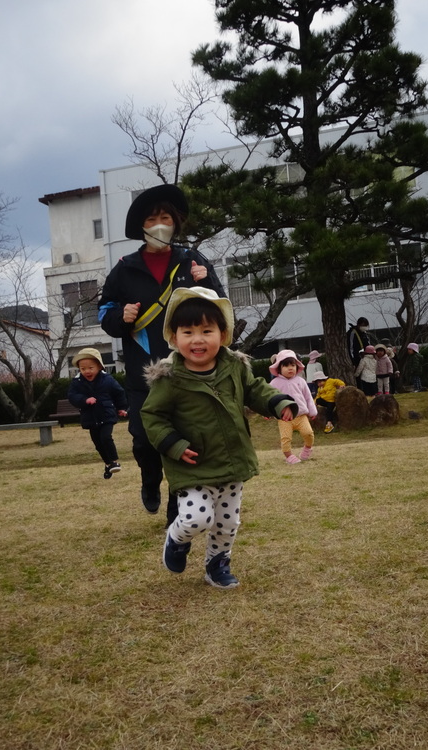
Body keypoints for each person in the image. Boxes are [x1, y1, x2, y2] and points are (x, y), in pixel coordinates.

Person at [140, 287, 297, 589]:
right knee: (196, 519)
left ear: (223, 335)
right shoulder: (169, 379)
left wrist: (278, 403)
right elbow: (152, 416)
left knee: (227, 524)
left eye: (206, 330)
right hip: (192, 464)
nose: (197, 339)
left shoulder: (234, 366)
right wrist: (173, 444)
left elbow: (255, 390)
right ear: (174, 338)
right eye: (188, 332)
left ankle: (217, 563)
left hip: (232, 461)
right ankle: (177, 538)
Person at [98, 184, 225, 522]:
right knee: (143, 439)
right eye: (151, 219)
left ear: (176, 222)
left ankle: (176, 506)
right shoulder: (125, 267)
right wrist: (119, 316)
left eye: (165, 217)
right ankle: (149, 478)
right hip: (143, 371)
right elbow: (103, 311)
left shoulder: (193, 259)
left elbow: (219, 308)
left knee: (181, 440)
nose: (158, 224)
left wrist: (207, 281)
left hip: (187, 368)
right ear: (141, 227)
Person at [67, 348, 128, 478]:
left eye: (90, 368)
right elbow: (72, 396)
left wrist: (122, 408)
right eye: (83, 369)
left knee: (106, 437)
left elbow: (119, 393)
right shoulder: (77, 382)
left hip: (106, 414)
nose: (87, 372)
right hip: (90, 417)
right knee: (98, 443)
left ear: (99, 366)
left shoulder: (108, 379)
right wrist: (84, 400)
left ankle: (114, 462)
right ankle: (108, 464)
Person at [268, 349, 318, 463]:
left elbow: (308, 397)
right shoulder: (274, 384)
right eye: (286, 366)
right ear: (279, 368)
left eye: (293, 365)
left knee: (308, 433)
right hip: (284, 418)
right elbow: (269, 400)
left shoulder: (301, 381)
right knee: (286, 438)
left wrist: (312, 411)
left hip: (301, 415)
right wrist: (267, 413)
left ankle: (307, 448)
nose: (290, 368)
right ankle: (289, 456)